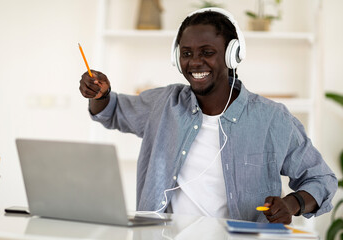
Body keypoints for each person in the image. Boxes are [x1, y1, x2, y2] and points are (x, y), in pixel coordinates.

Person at [79, 8, 337, 224]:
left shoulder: (272, 118)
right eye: (187, 53)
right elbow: (113, 111)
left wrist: (292, 203)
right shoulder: (163, 104)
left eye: (207, 52)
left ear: (231, 55)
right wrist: (99, 94)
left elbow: (322, 180)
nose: (194, 62)